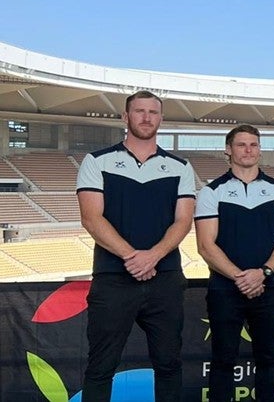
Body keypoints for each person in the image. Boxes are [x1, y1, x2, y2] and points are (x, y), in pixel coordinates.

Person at [76, 90, 197, 402]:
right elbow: (91, 218)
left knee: (169, 364)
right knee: (101, 366)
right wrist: (132, 257)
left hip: (165, 278)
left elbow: (183, 221)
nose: (146, 117)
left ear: (161, 119)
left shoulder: (180, 166)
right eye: (139, 111)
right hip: (113, 279)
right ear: (125, 117)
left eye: (153, 112)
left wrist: (153, 256)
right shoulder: (96, 161)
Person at [195, 125, 274, 402]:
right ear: (228, 150)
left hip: (269, 287)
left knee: (268, 359)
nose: (248, 150)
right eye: (241, 145)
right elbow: (205, 245)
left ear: (260, 149)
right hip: (225, 290)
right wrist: (241, 277)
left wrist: (262, 273)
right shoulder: (211, 191)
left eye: (253, 144)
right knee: (223, 360)